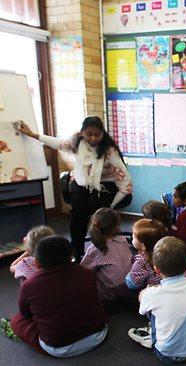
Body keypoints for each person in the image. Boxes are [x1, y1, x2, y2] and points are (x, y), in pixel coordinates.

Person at [15, 117, 133, 262]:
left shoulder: (109, 151)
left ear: (103, 134)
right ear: (82, 133)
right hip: (82, 183)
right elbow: (58, 143)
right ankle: (76, 252)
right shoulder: (76, 143)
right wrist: (33, 134)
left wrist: (111, 207)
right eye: (89, 134)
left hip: (105, 185)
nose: (93, 138)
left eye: (97, 134)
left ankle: (104, 251)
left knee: (99, 214)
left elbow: (125, 181)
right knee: (78, 214)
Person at [2, 236, 107, 357]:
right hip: (99, 334)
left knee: (16, 320)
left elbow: (26, 315)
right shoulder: (86, 273)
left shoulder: (29, 285)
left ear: (36, 262)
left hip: (60, 348)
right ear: (70, 256)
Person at [128, 236, 186, 363]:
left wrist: (146, 291)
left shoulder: (152, 294)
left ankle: (152, 336)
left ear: (157, 269)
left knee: (150, 306)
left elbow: (142, 309)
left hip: (167, 355)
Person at [80, 208, 133, 302]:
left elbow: (82, 271)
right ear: (116, 226)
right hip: (131, 287)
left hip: (111, 295)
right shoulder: (123, 240)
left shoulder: (95, 249)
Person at [114, 218, 167, 311]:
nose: (132, 238)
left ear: (143, 245)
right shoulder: (169, 251)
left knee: (120, 290)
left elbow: (132, 284)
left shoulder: (142, 262)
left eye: (134, 237)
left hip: (155, 295)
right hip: (169, 288)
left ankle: (144, 310)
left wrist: (129, 275)